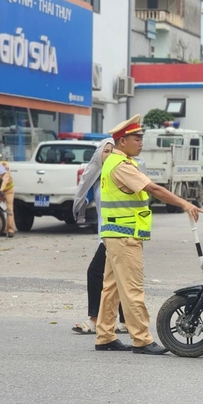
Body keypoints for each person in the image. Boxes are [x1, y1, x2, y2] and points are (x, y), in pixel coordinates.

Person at [95, 114, 203, 355]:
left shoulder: (116, 162)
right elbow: (153, 189)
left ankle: (104, 335)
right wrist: (185, 204)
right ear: (122, 141)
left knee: (111, 288)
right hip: (124, 236)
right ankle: (141, 339)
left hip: (115, 233)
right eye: (136, 138)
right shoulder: (121, 165)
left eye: (142, 138)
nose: (141, 142)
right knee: (132, 289)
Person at [71, 138, 127, 335]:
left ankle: (95, 320)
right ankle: (126, 320)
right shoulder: (97, 177)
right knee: (117, 277)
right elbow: (85, 192)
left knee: (95, 274)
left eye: (113, 151)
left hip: (117, 232)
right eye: (106, 151)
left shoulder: (119, 174)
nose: (109, 154)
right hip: (106, 232)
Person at [0, 154, 16, 238]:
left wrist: (1, 190)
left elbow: (6, 178)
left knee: (9, 209)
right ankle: (2, 229)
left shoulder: (4, 165)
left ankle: (10, 230)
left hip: (8, 190)